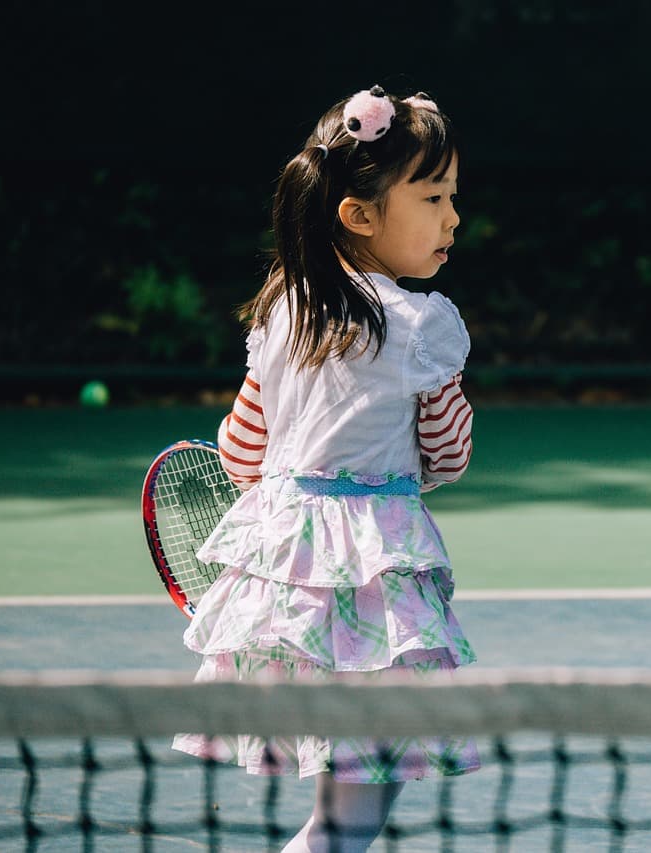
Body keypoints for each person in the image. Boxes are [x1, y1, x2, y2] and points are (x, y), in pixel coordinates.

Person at [172, 84, 478, 853]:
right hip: (376, 589)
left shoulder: (283, 308)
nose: (453, 217)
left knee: (336, 804)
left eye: (453, 197)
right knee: (354, 815)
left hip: (287, 587)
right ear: (360, 214)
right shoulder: (422, 327)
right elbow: (448, 454)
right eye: (434, 196)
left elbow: (242, 450)